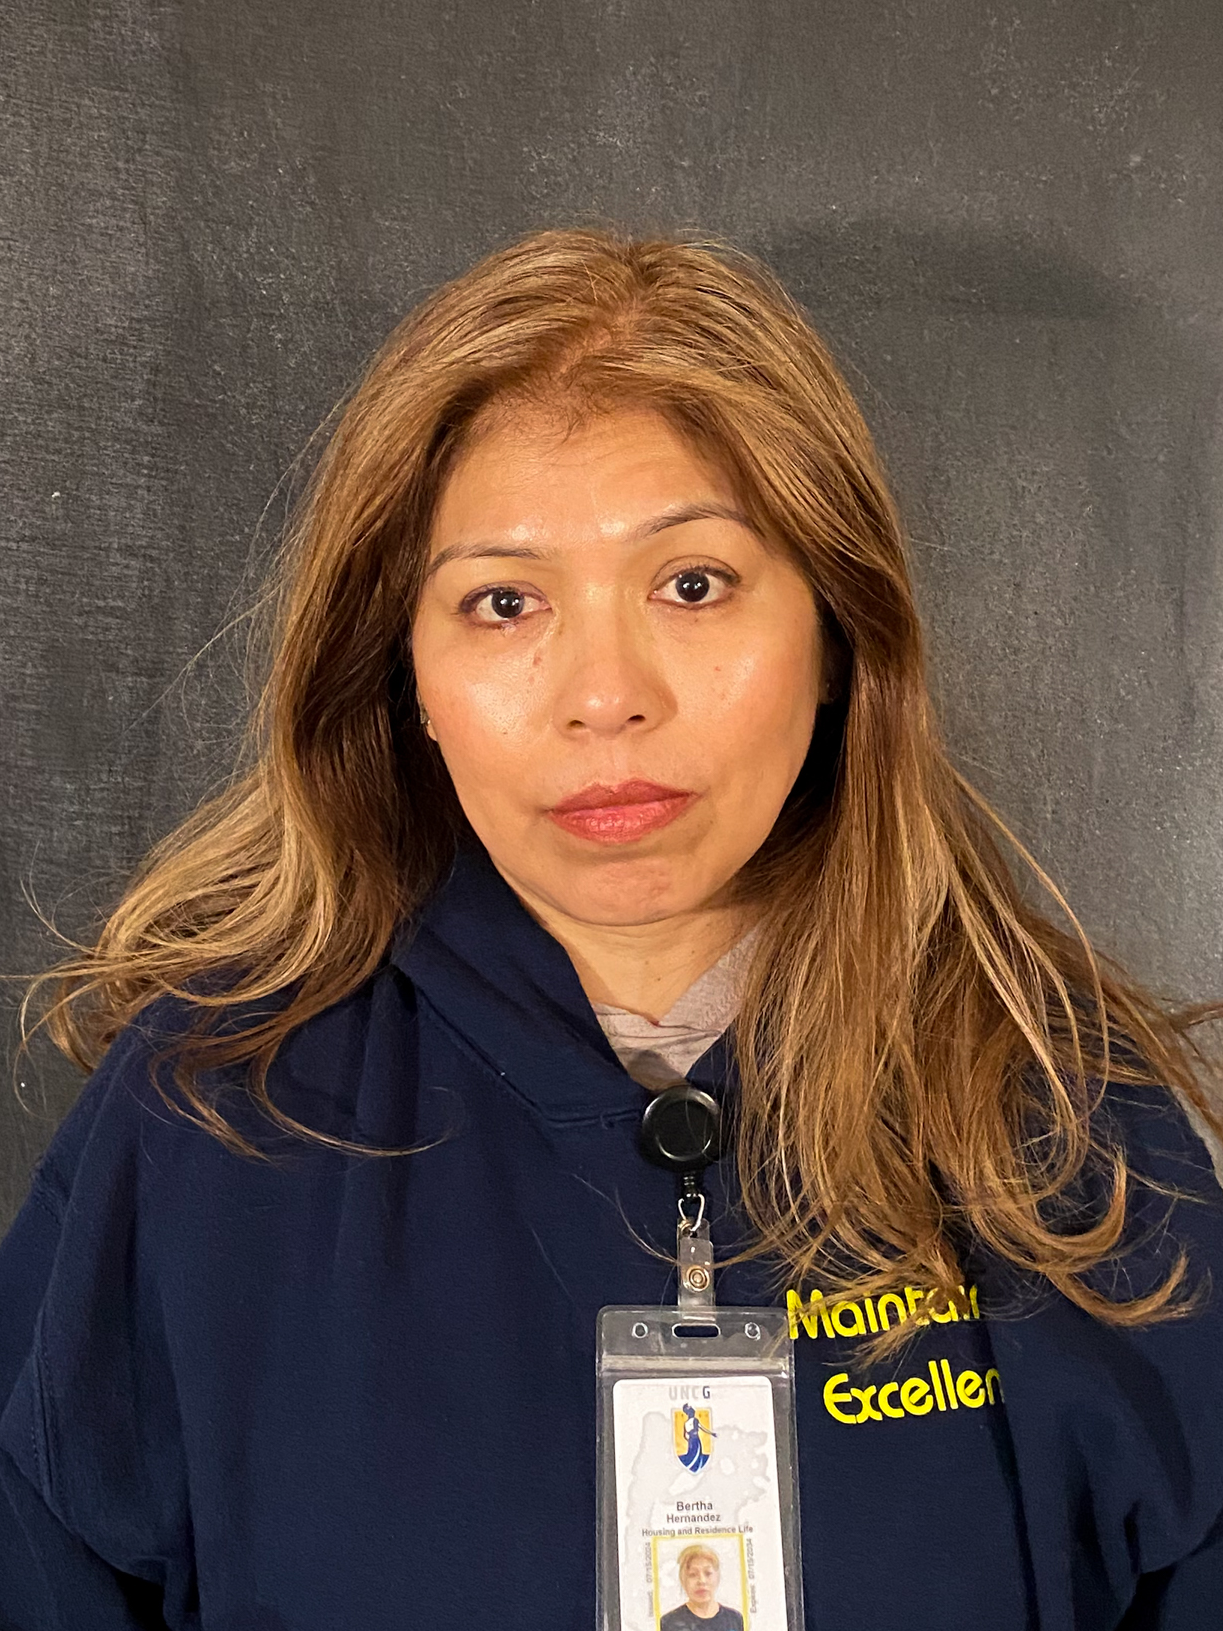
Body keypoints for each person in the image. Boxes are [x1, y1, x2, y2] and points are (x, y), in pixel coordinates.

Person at [0, 226, 1221, 1631]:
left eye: (691, 583)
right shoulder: (202, 1120)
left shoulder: (1070, 1128)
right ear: (404, 673)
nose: (603, 693)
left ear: (835, 633)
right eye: (503, 601)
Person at [659, 1544, 743, 1630]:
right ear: (683, 1580)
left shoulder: (735, 1619)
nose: (702, 1581)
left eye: (708, 1573)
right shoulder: (668, 1622)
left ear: (717, 1577)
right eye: (693, 1574)